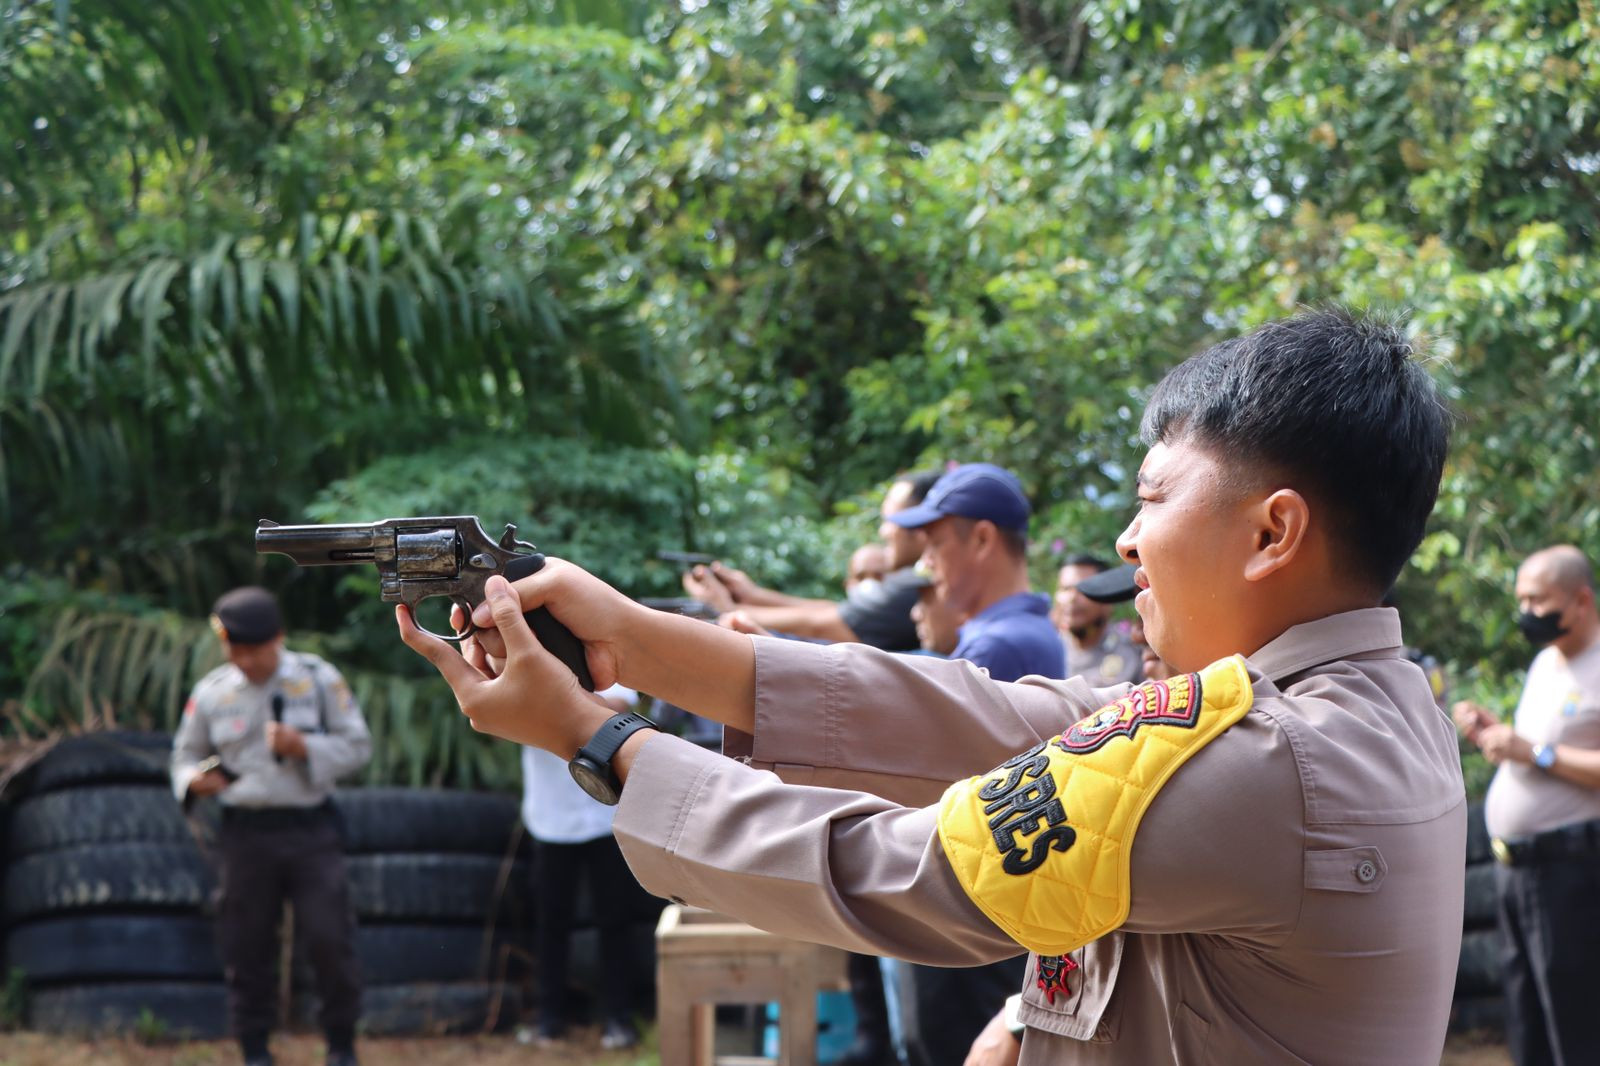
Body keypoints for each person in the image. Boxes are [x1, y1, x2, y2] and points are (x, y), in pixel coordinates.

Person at [398, 307, 1463, 1065]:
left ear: (1272, 531)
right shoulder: (1354, 711)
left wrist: (597, 742)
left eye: (1152, 499)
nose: (1128, 542)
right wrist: (638, 637)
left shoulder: (1272, 759)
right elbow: (1010, 720)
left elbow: (903, 869)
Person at [877, 462, 1065, 1066]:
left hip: (971, 897)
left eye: (935, 545)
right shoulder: (1000, 634)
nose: (924, 564)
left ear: (982, 540)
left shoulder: (997, 644)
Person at [172, 587, 370, 1066]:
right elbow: (183, 755)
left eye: (251, 650)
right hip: (244, 834)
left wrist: (305, 747)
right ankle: (254, 1048)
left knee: (329, 938)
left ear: (277, 639)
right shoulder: (213, 692)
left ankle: (341, 1046)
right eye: (232, 650)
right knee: (246, 943)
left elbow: (359, 747)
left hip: (310, 830)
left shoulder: (318, 679)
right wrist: (193, 781)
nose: (242, 660)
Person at [1453, 545, 1600, 1066]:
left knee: (1576, 1025)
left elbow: (1544, 754)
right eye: (1522, 600)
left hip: (1572, 870)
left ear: (1581, 600)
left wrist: (1532, 751)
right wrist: (1497, 734)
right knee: (1527, 1021)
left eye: (1538, 601)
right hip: (1516, 871)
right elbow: (1541, 750)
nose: (1526, 614)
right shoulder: (1545, 663)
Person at [520, 683, 650, 1051]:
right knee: (550, 923)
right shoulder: (517, 657)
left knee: (615, 921)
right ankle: (549, 1020)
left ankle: (619, 1018)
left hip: (603, 815)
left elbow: (620, 707)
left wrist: (558, 703)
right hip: (548, 817)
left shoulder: (595, 650)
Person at [681, 470, 942, 650]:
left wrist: (727, 609)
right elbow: (839, 612)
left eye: (891, 521)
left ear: (922, 527)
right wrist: (754, 595)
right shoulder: (912, 582)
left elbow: (821, 625)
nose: (883, 532)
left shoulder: (916, 583)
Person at [1052, 556, 1143, 685]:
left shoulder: (1133, 651)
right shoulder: (1047, 651)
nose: (1072, 598)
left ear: (1107, 598)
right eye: (1065, 589)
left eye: (1083, 590)